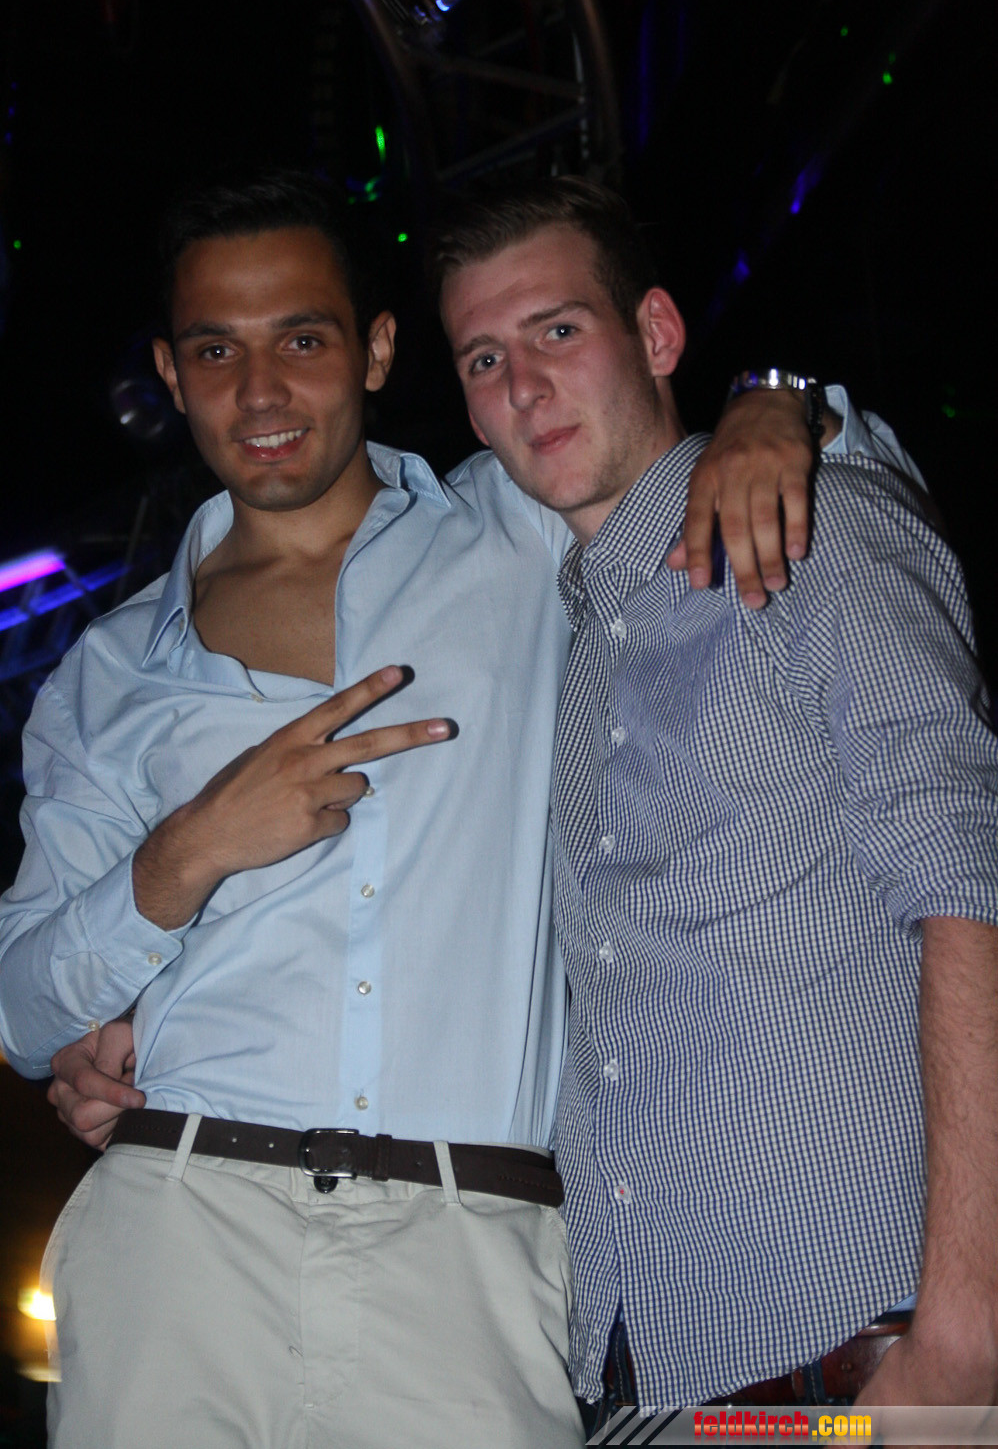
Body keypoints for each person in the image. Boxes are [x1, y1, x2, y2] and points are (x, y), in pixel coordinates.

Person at [0, 170, 869, 1448]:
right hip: (182, 1228)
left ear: (375, 352)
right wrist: (184, 856)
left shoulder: (516, 533)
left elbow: (735, 447)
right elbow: (24, 1013)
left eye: (301, 340)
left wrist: (776, 404)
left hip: (473, 1254)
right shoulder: (107, 674)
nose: (260, 393)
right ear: (171, 375)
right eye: (216, 351)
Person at [431, 177, 998, 1417]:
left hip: (865, 1342)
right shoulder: (564, 650)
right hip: (654, 1372)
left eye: (556, 330)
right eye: (482, 359)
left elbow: (968, 887)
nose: (523, 387)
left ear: (656, 334)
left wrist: (967, 1325)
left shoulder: (813, 530)